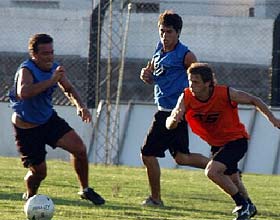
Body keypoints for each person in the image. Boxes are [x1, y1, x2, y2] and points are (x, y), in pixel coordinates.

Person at [166, 62, 280, 219]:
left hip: (236, 141)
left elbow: (254, 100)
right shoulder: (186, 97)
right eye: (190, 81)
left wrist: (273, 119)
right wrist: (174, 119)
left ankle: (242, 204)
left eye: (196, 82)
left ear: (207, 83)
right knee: (234, 180)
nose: (192, 85)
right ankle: (249, 207)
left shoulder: (224, 93)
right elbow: (170, 123)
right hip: (217, 145)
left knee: (212, 172)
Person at [9, 33, 105, 205]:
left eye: (52, 52)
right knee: (39, 173)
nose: (50, 57)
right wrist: (51, 80)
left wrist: (80, 106)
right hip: (27, 128)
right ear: (34, 55)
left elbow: (68, 88)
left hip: (47, 120)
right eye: (45, 53)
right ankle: (30, 197)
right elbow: (24, 93)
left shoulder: (54, 67)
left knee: (79, 149)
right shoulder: (26, 70)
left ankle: (85, 189)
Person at [140, 10, 209, 207]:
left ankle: (155, 199)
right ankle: (223, 166)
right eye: (162, 31)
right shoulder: (159, 50)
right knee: (181, 157)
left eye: (169, 32)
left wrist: (199, 102)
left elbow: (202, 78)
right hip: (166, 109)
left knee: (147, 154)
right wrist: (146, 75)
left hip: (172, 112)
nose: (165, 36)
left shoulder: (185, 55)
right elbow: (151, 72)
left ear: (178, 33)